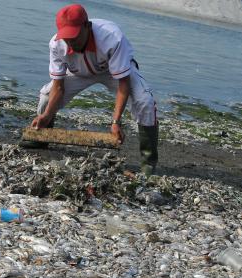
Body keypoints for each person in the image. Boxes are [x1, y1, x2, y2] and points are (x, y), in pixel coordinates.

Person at [26, 4, 159, 175]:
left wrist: (115, 122)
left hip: (111, 72)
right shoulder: (56, 44)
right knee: (46, 97)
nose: (71, 41)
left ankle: (148, 162)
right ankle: (41, 138)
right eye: (66, 37)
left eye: (74, 35)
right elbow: (58, 87)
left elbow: (123, 83)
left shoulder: (112, 37)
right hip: (78, 72)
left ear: (87, 26)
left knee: (145, 101)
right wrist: (46, 115)